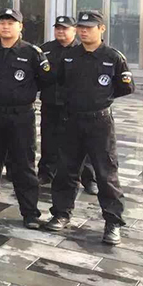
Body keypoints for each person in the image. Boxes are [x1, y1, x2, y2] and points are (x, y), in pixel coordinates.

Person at [45, 10, 135, 246]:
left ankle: (113, 222)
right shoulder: (70, 56)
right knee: (66, 170)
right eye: (81, 28)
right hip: (72, 120)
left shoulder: (113, 57)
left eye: (89, 28)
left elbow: (125, 87)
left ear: (101, 29)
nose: (84, 31)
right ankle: (61, 213)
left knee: (106, 174)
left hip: (99, 123)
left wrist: (100, 99)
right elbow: (60, 82)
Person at [0, 8, 52, 228]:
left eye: (10, 23)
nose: (5, 26)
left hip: (20, 116)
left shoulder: (32, 53)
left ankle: (30, 212)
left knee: (24, 164)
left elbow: (44, 80)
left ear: (20, 26)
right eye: (2, 23)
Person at [38, 16, 98, 194]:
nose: (60, 31)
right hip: (50, 102)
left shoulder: (82, 50)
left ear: (74, 30)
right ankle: (46, 173)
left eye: (64, 28)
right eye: (57, 28)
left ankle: (89, 178)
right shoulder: (45, 49)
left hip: (74, 106)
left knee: (83, 143)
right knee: (48, 140)